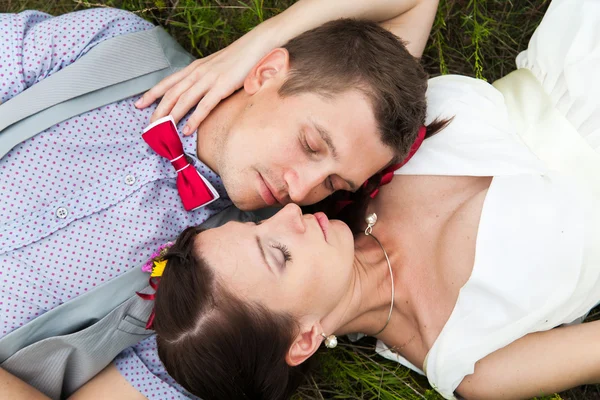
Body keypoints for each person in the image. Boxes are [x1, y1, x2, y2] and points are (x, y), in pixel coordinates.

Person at [120, 0, 599, 398]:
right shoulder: (472, 361)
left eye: (257, 225)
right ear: (305, 338)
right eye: (279, 254)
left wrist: (257, 47)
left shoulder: (356, 167)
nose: (289, 212)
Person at [0, 1, 441, 398]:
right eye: (310, 144)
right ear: (267, 73)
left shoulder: (242, 290)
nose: (301, 191)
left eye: (332, 185)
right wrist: (263, 38)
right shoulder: (118, 45)